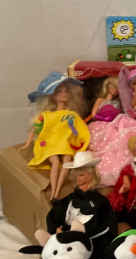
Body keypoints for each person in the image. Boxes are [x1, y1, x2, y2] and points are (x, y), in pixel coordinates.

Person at [23, 72, 90, 200]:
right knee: (55, 162)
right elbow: (36, 129)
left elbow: (78, 132)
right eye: (60, 91)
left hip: (65, 144)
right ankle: (53, 190)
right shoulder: (47, 114)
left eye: (66, 91)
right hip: (51, 144)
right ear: (53, 96)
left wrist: (72, 127)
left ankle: (57, 191)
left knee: (67, 160)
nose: (64, 94)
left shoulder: (72, 115)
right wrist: (27, 143)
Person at [46, 151, 116, 259]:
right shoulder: (70, 199)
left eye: (81, 175)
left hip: (87, 248)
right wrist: (55, 230)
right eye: (76, 175)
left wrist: (75, 236)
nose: (77, 178)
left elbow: (104, 228)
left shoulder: (100, 202)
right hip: (63, 244)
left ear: (91, 175)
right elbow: (52, 215)